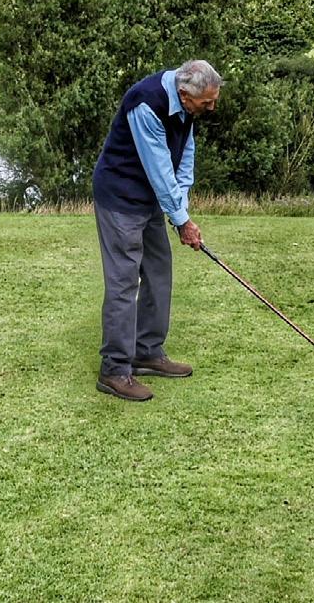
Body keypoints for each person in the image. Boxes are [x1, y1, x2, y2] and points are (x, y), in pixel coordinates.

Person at [91, 59, 223, 402]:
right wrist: (181, 221)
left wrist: (182, 212)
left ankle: (146, 351)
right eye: (207, 102)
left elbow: (185, 157)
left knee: (158, 270)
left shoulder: (187, 108)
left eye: (214, 100)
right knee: (124, 281)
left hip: (148, 197)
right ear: (185, 93)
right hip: (120, 197)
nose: (211, 107)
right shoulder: (145, 102)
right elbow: (159, 167)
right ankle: (114, 369)